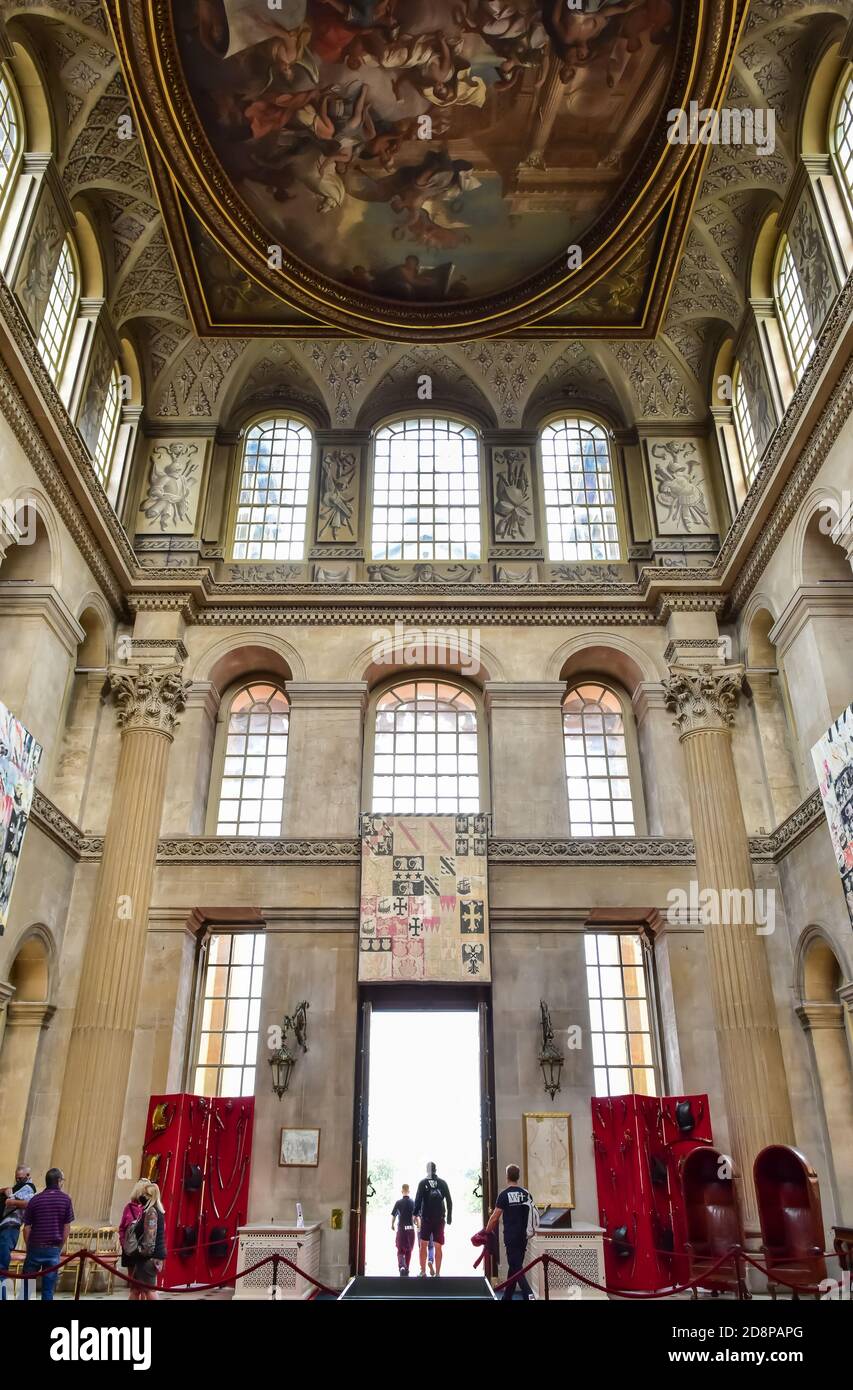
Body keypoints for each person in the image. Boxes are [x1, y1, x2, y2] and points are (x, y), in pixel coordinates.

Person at [486, 1163, 537, 1300]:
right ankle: (507, 1297)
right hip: (523, 1236)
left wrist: (486, 1231)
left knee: (517, 1268)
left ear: (507, 1176)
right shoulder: (526, 1194)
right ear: (518, 1177)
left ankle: (529, 1295)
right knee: (515, 1266)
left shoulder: (504, 1195)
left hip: (510, 1236)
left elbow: (494, 1217)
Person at [21, 1167, 73, 1301]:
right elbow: (66, 1227)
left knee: (26, 1289)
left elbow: (26, 1228)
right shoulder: (65, 1200)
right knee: (48, 1291)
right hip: (53, 1249)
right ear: (58, 1181)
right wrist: (59, 1247)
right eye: (62, 1180)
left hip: (35, 1247)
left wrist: (29, 1247)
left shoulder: (35, 1200)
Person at [0, 1164, 36, 1300]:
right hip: (4, 1227)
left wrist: (11, 1202)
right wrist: (5, 1191)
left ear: (28, 1176)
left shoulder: (30, 1189)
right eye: (16, 1178)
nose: (18, 1181)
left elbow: (30, 1203)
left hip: (10, 1228)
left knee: (1, 1267)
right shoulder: (16, 1188)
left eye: (21, 1178)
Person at [126, 1181, 166, 1301]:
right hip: (144, 1258)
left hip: (148, 1258)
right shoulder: (149, 1210)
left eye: (144, 1194)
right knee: (135, 1289)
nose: (141, 1197)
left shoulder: (152, 1212)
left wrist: (140, 1251)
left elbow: (150, 1238)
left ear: (149, 1196)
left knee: (150, 1291)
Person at [413, 1162, 452, 1277]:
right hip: (439, 1219)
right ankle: (438, 1273)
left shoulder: (423, 1183)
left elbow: (418, 1200)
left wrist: (415, 1214)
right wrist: (449, 1216)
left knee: (423, 1244)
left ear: (427, 1170)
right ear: (436, 1169)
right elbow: (449, 1201)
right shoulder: (442, 1183)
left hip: (426, 1219)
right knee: (438, 1246)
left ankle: (423, 1271)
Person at [119, 1181, 147, 1301]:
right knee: (133, 1283)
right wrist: (123, 1242)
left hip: (143, 1249)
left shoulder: (149, 1209)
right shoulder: (129, 1207)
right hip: (130, 1248)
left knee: (144, 1284)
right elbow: (121, 1227)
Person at [390, 1183, 415, 1276]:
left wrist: (392, 1224)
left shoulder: (398, 1202)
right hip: (410, 1228)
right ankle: (407, 1268)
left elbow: (394, 1215)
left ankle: (402, 1266)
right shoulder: (413, 1202)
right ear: (409, 1191)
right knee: (409, 1249)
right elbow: (416, 1216)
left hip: (401, 1228)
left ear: (402, 1191)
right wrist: (419, 1224)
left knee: (400, 1249)